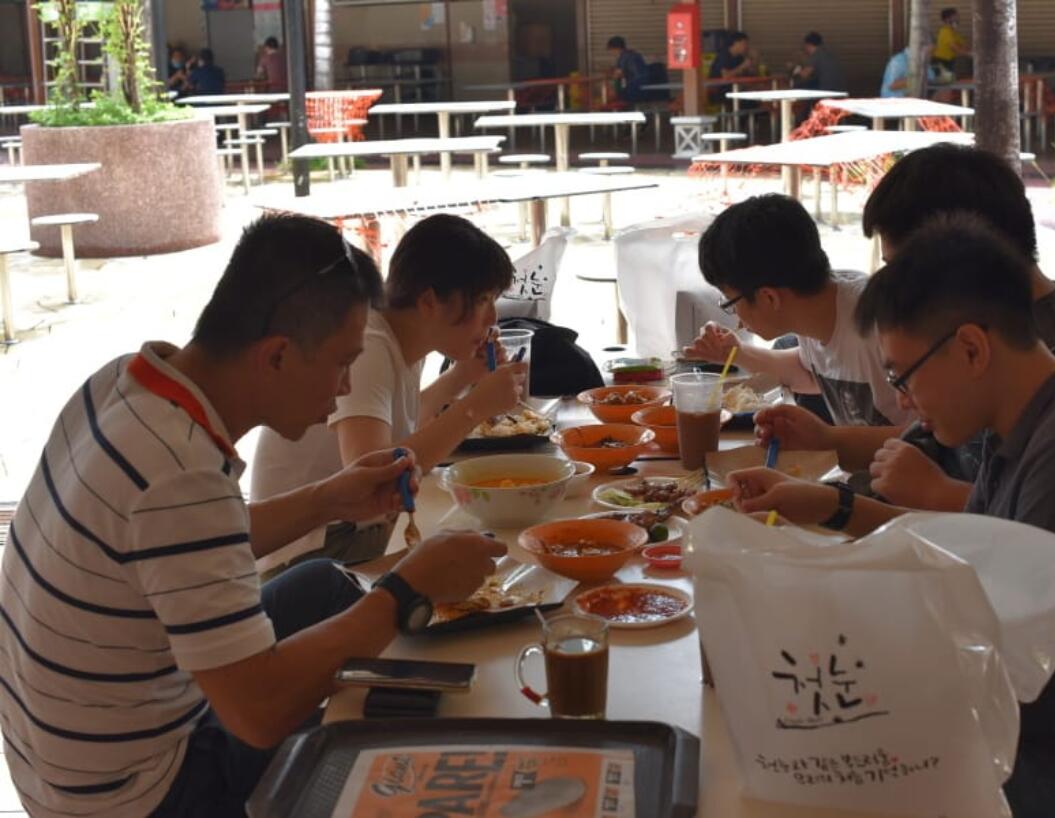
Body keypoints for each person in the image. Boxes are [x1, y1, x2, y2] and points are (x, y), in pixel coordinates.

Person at [0, 214, 505, 818]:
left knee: (323, 585)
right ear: (277, 356)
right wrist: (406, 589)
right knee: (387, 738)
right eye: (342, 364)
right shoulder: (179, 476)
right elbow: (259, 713)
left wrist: (328, 498)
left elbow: (184, 547)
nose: (346, 389)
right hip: (138, 793)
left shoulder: (123, 383)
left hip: (51, 754)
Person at [729, 213, 1055, 818]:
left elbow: (1002, 651)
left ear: (972, 347)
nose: (900, 401)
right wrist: (834, 507)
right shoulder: (1033, 415)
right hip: (1036, 731)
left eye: (902, 376)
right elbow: (971, 544)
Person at [756, 143, 1055, 510]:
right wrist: (826, 445)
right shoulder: (992, 333)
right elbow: (924, 449)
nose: (892, 284)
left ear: (961, 250)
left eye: (899, 266)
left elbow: (1044, 533)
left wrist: (937, 494)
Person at [252, 214, 526, 576]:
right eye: (483, 300)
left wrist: (462, 377)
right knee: (493, 562)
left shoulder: (397, 338)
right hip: (310, 557)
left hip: (349, 536)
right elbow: (374, 477)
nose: (492, 318)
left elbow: (401, 428)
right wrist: (475, 406)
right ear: (429, 301)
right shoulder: (368, 344)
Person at [682, 194, 912, 433]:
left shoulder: (879, 322)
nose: (737, 318)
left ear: (769, 297)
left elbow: (932, 437)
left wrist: (827, 439)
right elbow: (810, 374)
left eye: (731, 303)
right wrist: (736, 353)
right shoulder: (815, 308)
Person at [709, 31, 758, 102]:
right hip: (720, 91)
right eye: (744, 43)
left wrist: (754, 60)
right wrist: (742, 66)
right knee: (749, 102)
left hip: (736, 89)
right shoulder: (724, 55)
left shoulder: (739, 57)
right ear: (736, 43)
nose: (746, 46)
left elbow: (752, 74)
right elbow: (726, 76)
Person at [606, 36, 649, 103]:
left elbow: (618, 75)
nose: (611, 53)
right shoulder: (634, 54)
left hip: (633, 90)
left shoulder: (624, 57)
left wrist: (613, 89)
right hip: (643, 89)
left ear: (616, 48)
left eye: (611, 50)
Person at [932, 7, 970, 75]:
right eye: (955, 17)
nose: (958, 18)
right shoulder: (945, 31)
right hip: (941, 62)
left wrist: (966, 51)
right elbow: (955, 48)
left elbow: (964, 45)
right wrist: (970, 54)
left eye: (958, 16)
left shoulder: (953, 32)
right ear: (947, 19)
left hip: (950, 61)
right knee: (945, 82)